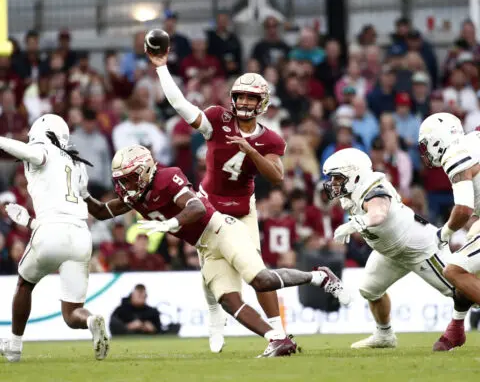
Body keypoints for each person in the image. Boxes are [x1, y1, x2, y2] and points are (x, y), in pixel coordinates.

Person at [75, 144, 349, 357]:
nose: (126, 186)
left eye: (131, 179)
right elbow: (100, 212)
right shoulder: (135, 195)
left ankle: (319, 277)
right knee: (229, 301)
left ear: (145, 171)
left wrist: (172, 222)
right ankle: (277, 340)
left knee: (260, 280)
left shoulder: (167, 176)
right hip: (205, 247)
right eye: (123, 180)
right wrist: (82, 192)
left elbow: (194, 207)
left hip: (221, 230)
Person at [147, 48, 295, 354]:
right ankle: (215, 317)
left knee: (258, 272)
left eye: (251, 98)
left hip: (243, 210)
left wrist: (251, 150)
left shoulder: (271, 139)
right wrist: (161, 68)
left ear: (262, 103)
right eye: (240, 96)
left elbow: (277, 177)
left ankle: (281, 335)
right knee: (212, 272)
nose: (243, 102)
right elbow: (181, 106)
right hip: (208, 207)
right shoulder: (217, 118)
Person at [323, 147, 472, 351]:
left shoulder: (374, 189)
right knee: (370, 290)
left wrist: (356, 223)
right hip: (390, 252)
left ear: (355, 174)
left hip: (418, 247)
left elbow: (378, 214)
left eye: (338, 178)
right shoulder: (352, 194)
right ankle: (384, 335)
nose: (333, 184)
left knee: (464, 290)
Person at [0, 114, 109, 362]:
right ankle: (91, 320)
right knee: (72, 313)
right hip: (81, 235)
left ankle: (15, 346)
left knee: (25, 284)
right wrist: (29, 221)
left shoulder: (43, 148)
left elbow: (31, 153)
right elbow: (74, 205)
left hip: (51, 231)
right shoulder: (77, 164)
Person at [418, 113, 480, 307]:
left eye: (427, 144)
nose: (426, 151)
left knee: (453, 271)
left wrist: (442, 234)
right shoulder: (474, 139)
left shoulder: (455, 154)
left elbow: (463, 209)